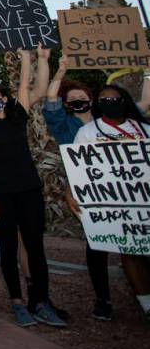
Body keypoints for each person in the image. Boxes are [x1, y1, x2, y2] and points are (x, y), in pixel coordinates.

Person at [0, 50, 65, 328]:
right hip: (1, 195)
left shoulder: (17, 117)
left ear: (4, 97)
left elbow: (27, 86)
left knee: (35, 247)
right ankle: (17, 302)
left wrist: (29, 57)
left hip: (28, 190)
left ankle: (40, 301)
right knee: (8, 247)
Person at [36, 51, 112, 320]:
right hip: (87, 191)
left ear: (92, 99)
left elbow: (144, 103)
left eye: (82, 97)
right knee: (97, 243)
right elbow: (51, 101)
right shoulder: (66, 127)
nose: (78, 101)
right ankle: (103, 298)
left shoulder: (112, 123)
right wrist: (60, 71)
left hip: (121, 188)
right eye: (73, 99)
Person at [73, 83, 150, 321]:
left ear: (124, 100)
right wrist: (70, 191)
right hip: (104, 202)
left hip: (141, 202)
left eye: (114, 99)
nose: (110, 103)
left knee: (135, 251)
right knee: (100, 249)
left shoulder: (143, 129)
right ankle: (105, 300)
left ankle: (144, 299)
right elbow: (77, 166)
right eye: (104, 100)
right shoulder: (88, 132)